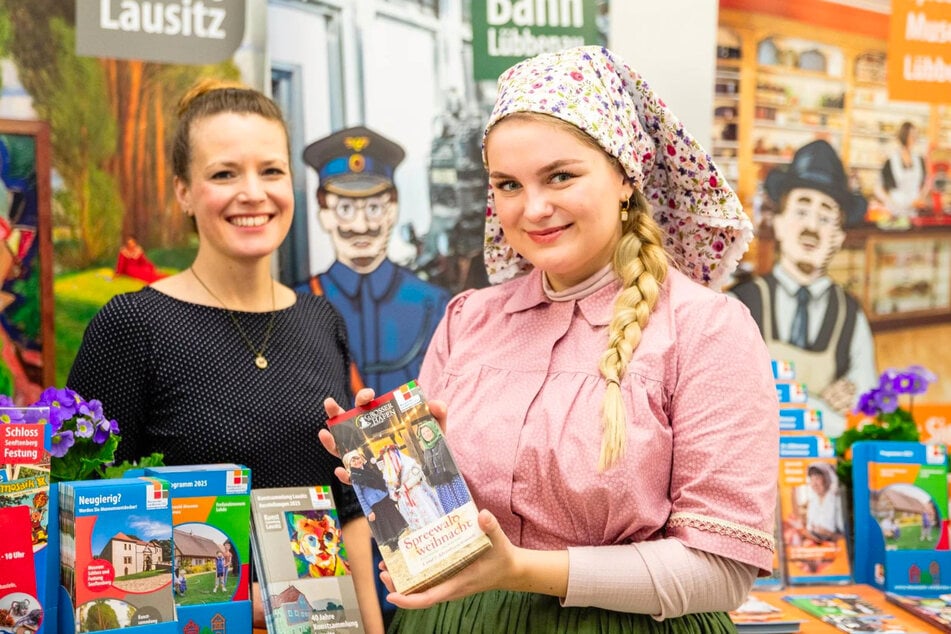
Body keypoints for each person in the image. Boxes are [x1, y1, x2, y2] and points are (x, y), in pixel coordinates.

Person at [322, 45, 778, 632]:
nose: (533, 208)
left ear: (623, 175)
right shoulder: (469, 318)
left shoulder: (706, 328)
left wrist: (522, 570)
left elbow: (722, 572)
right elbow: (435, 543)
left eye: (560, 175)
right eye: (508, 184)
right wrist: (391, 472)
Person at [66, 79, 383, 633]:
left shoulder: (321, 320)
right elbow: (83, 535)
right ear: (183, 192)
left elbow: (350, 508)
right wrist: (242, 605)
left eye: (271, 170)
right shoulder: (131, 326)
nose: (253, 193)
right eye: (223, 174)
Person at [730, 140, 878, 439]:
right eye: (801, 210)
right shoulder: (739, 303)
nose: (812, 226)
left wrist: (776, 400)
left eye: (825, 217)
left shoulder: (850, 315)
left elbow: (866, 406)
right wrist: (821, 406)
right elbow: (731, 400)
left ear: (838, 238)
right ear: (779, 222)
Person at [298, 126, 450, 395]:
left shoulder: (434, 305)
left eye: (374, 208)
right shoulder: (297, 305)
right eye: (345, 209)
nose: (361, 225)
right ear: (324, 213)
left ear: (392, 210)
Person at [343, 449, 408, 551]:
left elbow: (381, 481)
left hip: (384, 499)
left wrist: (390, 493)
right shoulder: (354, 478)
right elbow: (359, 496)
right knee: (384, 524)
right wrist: (368, 512)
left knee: (392, 519)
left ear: (361, 458)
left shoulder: (369, 469)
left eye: (357, 459)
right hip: (374, 506)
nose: (357, 462)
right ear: (349, 465)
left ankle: (398, 539)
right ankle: (392, 544)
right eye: (353, 461)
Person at [874, 121, 930, 227]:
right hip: (895, 212)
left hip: (914, 212)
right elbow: (878, 187)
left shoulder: (919, 159)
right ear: (903, 136)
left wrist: (922, 197)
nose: (915, 138)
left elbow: (926, 182)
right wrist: (890, 203)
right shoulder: (890, 161)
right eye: (912, 135)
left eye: (916, 135)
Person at [378, 444, 444, 531]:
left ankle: (438, 529)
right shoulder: (388, 473)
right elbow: (390, 487)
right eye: (388, 458)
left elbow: (417, 476)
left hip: (417, 493)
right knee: (415, 519)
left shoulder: (409, 463)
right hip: (404, 499)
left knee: (428, 512)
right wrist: (395, 494)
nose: (390, 459)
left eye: (391, 456)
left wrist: (405, 487)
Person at [416, 418, 468, 513]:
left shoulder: (444, 441)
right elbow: (429, 465)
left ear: (433, 429)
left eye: (428, 431)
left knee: (465, 505)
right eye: (423, 434)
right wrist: (422, 471)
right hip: (441, 485)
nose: (426, 434)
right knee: (453, 512)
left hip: (454, 479)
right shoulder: (426, 450)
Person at [804, 462, 844, 543]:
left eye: (817, 478)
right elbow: (809, 529)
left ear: (827, 479)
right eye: (812, 479)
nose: (814, 484)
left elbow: (845, 535)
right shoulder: (812, 502)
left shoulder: (837, 500)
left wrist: (829, 534)